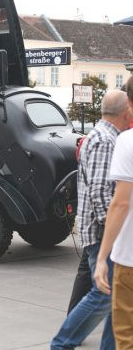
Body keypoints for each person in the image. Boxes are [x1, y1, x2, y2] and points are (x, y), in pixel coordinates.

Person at [51, 89, 131, 350]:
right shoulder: (104, 141)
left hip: (106, 232)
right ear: (125, 111)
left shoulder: (109, 137)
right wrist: (116, 231)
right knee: (102, 294)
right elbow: (101, 195)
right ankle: (62, 344)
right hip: (102, 233)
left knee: (113, 298)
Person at [95, 77, 133, 349]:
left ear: (129, 104)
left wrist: (101, 257)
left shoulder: (126, 142)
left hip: (129, 258)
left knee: (126, 338)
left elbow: (120, 203)